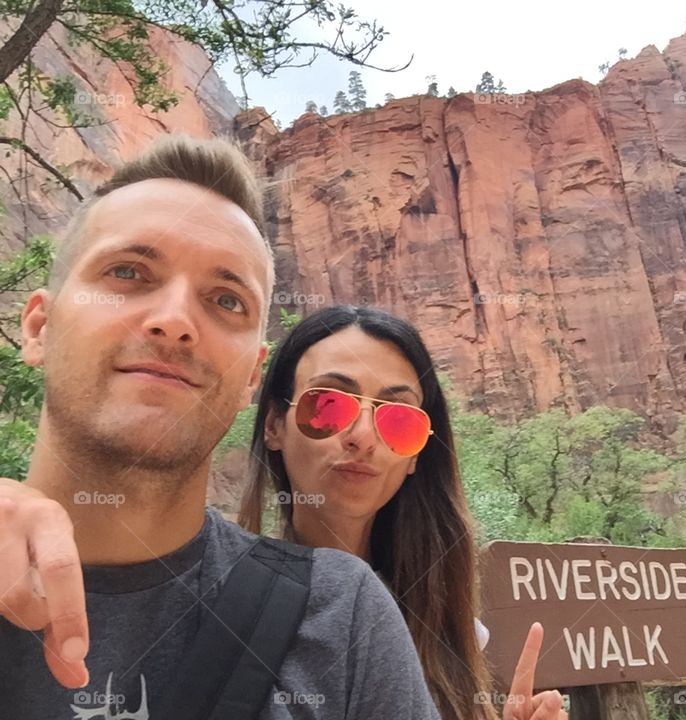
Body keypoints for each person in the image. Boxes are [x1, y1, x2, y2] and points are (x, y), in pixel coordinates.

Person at [0, 135, 441, 719]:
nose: (175, 321)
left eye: (227, 300)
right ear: (39, 328)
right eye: (129, 271)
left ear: (252, 379)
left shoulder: (343, 618)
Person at [237, 305, 568, 720]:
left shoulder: (451, 628)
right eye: (328, 405)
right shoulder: (224, 602)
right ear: (273, 425)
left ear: (416, 457)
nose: (362, 437)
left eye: (398, 419)